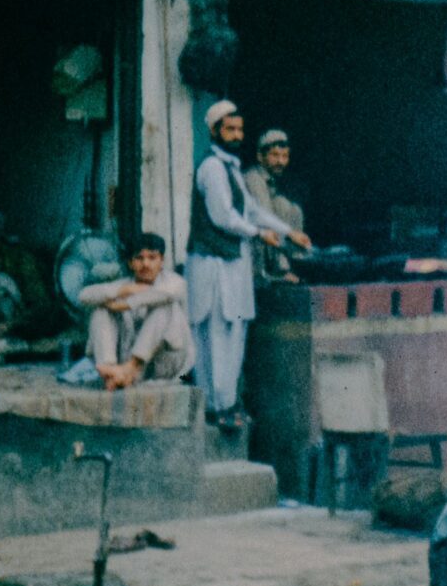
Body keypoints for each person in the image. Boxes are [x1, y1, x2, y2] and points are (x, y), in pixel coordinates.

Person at [185, 100, 304, 429]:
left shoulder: (232, 169)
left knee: (233, 333)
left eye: (239, 129)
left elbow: (251, 209)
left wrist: (287, 231)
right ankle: (216, 405)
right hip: (211, 264)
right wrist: (258, 234)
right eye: (230, 129)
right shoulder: (211, 168)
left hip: (232, 265)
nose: (236, 135)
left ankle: (225, 403)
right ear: (215, 131)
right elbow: (224, 216)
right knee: (214, 337)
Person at [73, 234, 194, 390]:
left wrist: (128, 303)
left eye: (152, 258)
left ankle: (129, 368)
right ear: (130, 263)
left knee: (165, 307)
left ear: (161, 261)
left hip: (165, 365)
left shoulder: (174, 283)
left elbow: (170, 294)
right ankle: (112, 371)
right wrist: (126, 289)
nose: (146, 264)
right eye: (139, 258)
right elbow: (84, 295)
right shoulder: (126, 285)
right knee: (101, 310)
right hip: (128, 362)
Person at [244, 129, 307, 282]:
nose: (280, 162)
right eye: (275, 155)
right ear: (260, 156)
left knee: (291, 208)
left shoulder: (271, 180)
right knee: (280, 207)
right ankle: (277, 271)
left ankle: (295, 263)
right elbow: (264, 219)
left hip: (268, 248)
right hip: (251, 253)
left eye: (285, 156)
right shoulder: (254, 179)